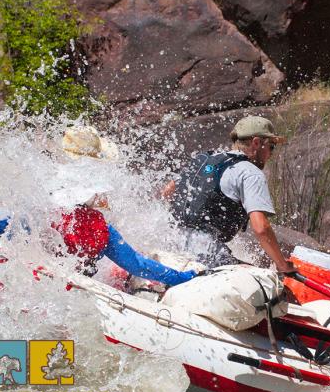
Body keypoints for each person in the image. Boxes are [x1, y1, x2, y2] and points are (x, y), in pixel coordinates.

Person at [165, 115, 295, 273]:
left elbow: (167, 192)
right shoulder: (250, 173)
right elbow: (261, 228)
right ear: (256, 143)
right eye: (271, 146)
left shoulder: (204, 159)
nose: (271, 153)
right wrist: (283, 265)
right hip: (205, 252)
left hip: (171, 242)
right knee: (268, 278)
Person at [53, 193, 199, 287]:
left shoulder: (61, 185)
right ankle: (183, 279)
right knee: (137, 264)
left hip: (85, 231)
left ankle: (182, 279)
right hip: (95, 231)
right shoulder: (91, 179)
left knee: (137, 264)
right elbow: (103, 204)